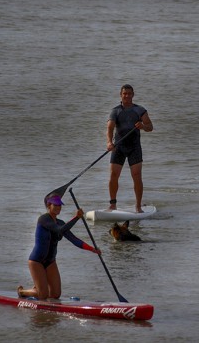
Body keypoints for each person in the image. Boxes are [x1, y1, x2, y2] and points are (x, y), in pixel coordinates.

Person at [17, 194, 100, 300]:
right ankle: (22, 291)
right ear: (48, 205)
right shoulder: (44, 219)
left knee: (55, 295)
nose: (58, 207)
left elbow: (74, 240)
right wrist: (76, 218)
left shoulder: (61, 223)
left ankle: (39, 287)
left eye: (60, 205)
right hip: (37, 261)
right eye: (55, 205)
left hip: (51, 262)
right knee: (43, 295)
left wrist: (92, 249)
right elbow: (59, 230)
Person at [106, 84, 154, 213]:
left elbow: (150, 127)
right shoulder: (115, 111)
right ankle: (112, 204)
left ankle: (138, 206)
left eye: (129, 93)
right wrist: (109, 143)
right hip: (119, 147)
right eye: (124, 93)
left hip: (134, 147)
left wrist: (143, 126)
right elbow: (110, 128)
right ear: (120, 95)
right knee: (113, 175)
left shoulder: (140, 110)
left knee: (137, 176)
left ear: (133, 94)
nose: (127, 96)